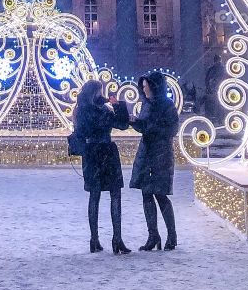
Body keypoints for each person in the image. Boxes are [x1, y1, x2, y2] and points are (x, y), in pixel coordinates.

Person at [71, 80, 131, 254]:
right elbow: (122, 124)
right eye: (100, 92)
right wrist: (116, 106)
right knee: (114, 195)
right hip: (105, 152)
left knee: (95, 196)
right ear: (95, 93)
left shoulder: (81, 110)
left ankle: (95, 239)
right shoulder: (101, 110)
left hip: (92, 154)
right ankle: (116, 239)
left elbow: (81, 131)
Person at [129, 71, 180, 250]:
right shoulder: (147, 104)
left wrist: (150, 127)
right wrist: (134, 122)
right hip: (147, 153)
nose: (144, 89)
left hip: (160, 154)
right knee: (146, 193)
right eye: (142, 87)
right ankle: (153, 236)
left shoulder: (166, 105)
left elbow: (172, 128)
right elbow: (145, 126)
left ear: (154, 86)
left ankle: (171, 236)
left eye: (146, 86)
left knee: (160, 194)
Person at [204, 53, 225, 123]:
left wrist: (209, 87)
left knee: (215, 104)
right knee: (219, 104)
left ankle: (215, 118)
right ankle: (219, 119)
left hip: (214, 89)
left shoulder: (212, 69)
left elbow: (207, 79)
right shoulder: (223, 69)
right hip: (219, 89)